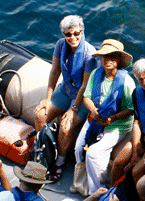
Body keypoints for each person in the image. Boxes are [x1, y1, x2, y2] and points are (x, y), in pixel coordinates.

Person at [33, 15, 97, 177]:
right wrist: (47, 99)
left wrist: (74, 109)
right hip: (66, 89)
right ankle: (43, 152)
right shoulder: (60, 46)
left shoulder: (89, 54)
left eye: (76, 33)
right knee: (40, 115)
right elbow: (55, 71)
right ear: (63, 35)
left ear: (82, 32)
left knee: (66, 126)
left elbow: (85, 85)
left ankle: (59, 162)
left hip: (82, 97)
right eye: (68, 34)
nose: (72, 37)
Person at [73, 39, 136, 196]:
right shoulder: (95, 74)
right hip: (96, 118)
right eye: (104, 56)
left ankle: (97, 191)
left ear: (118, 60)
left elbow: (131, 108)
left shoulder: (127, 82)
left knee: (94, 153)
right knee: (78, 148)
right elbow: (86, 97)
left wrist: (111, 119)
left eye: (112, 56)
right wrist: (94, 111)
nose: (108, 60)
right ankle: (81, 181)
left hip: (117, 125)